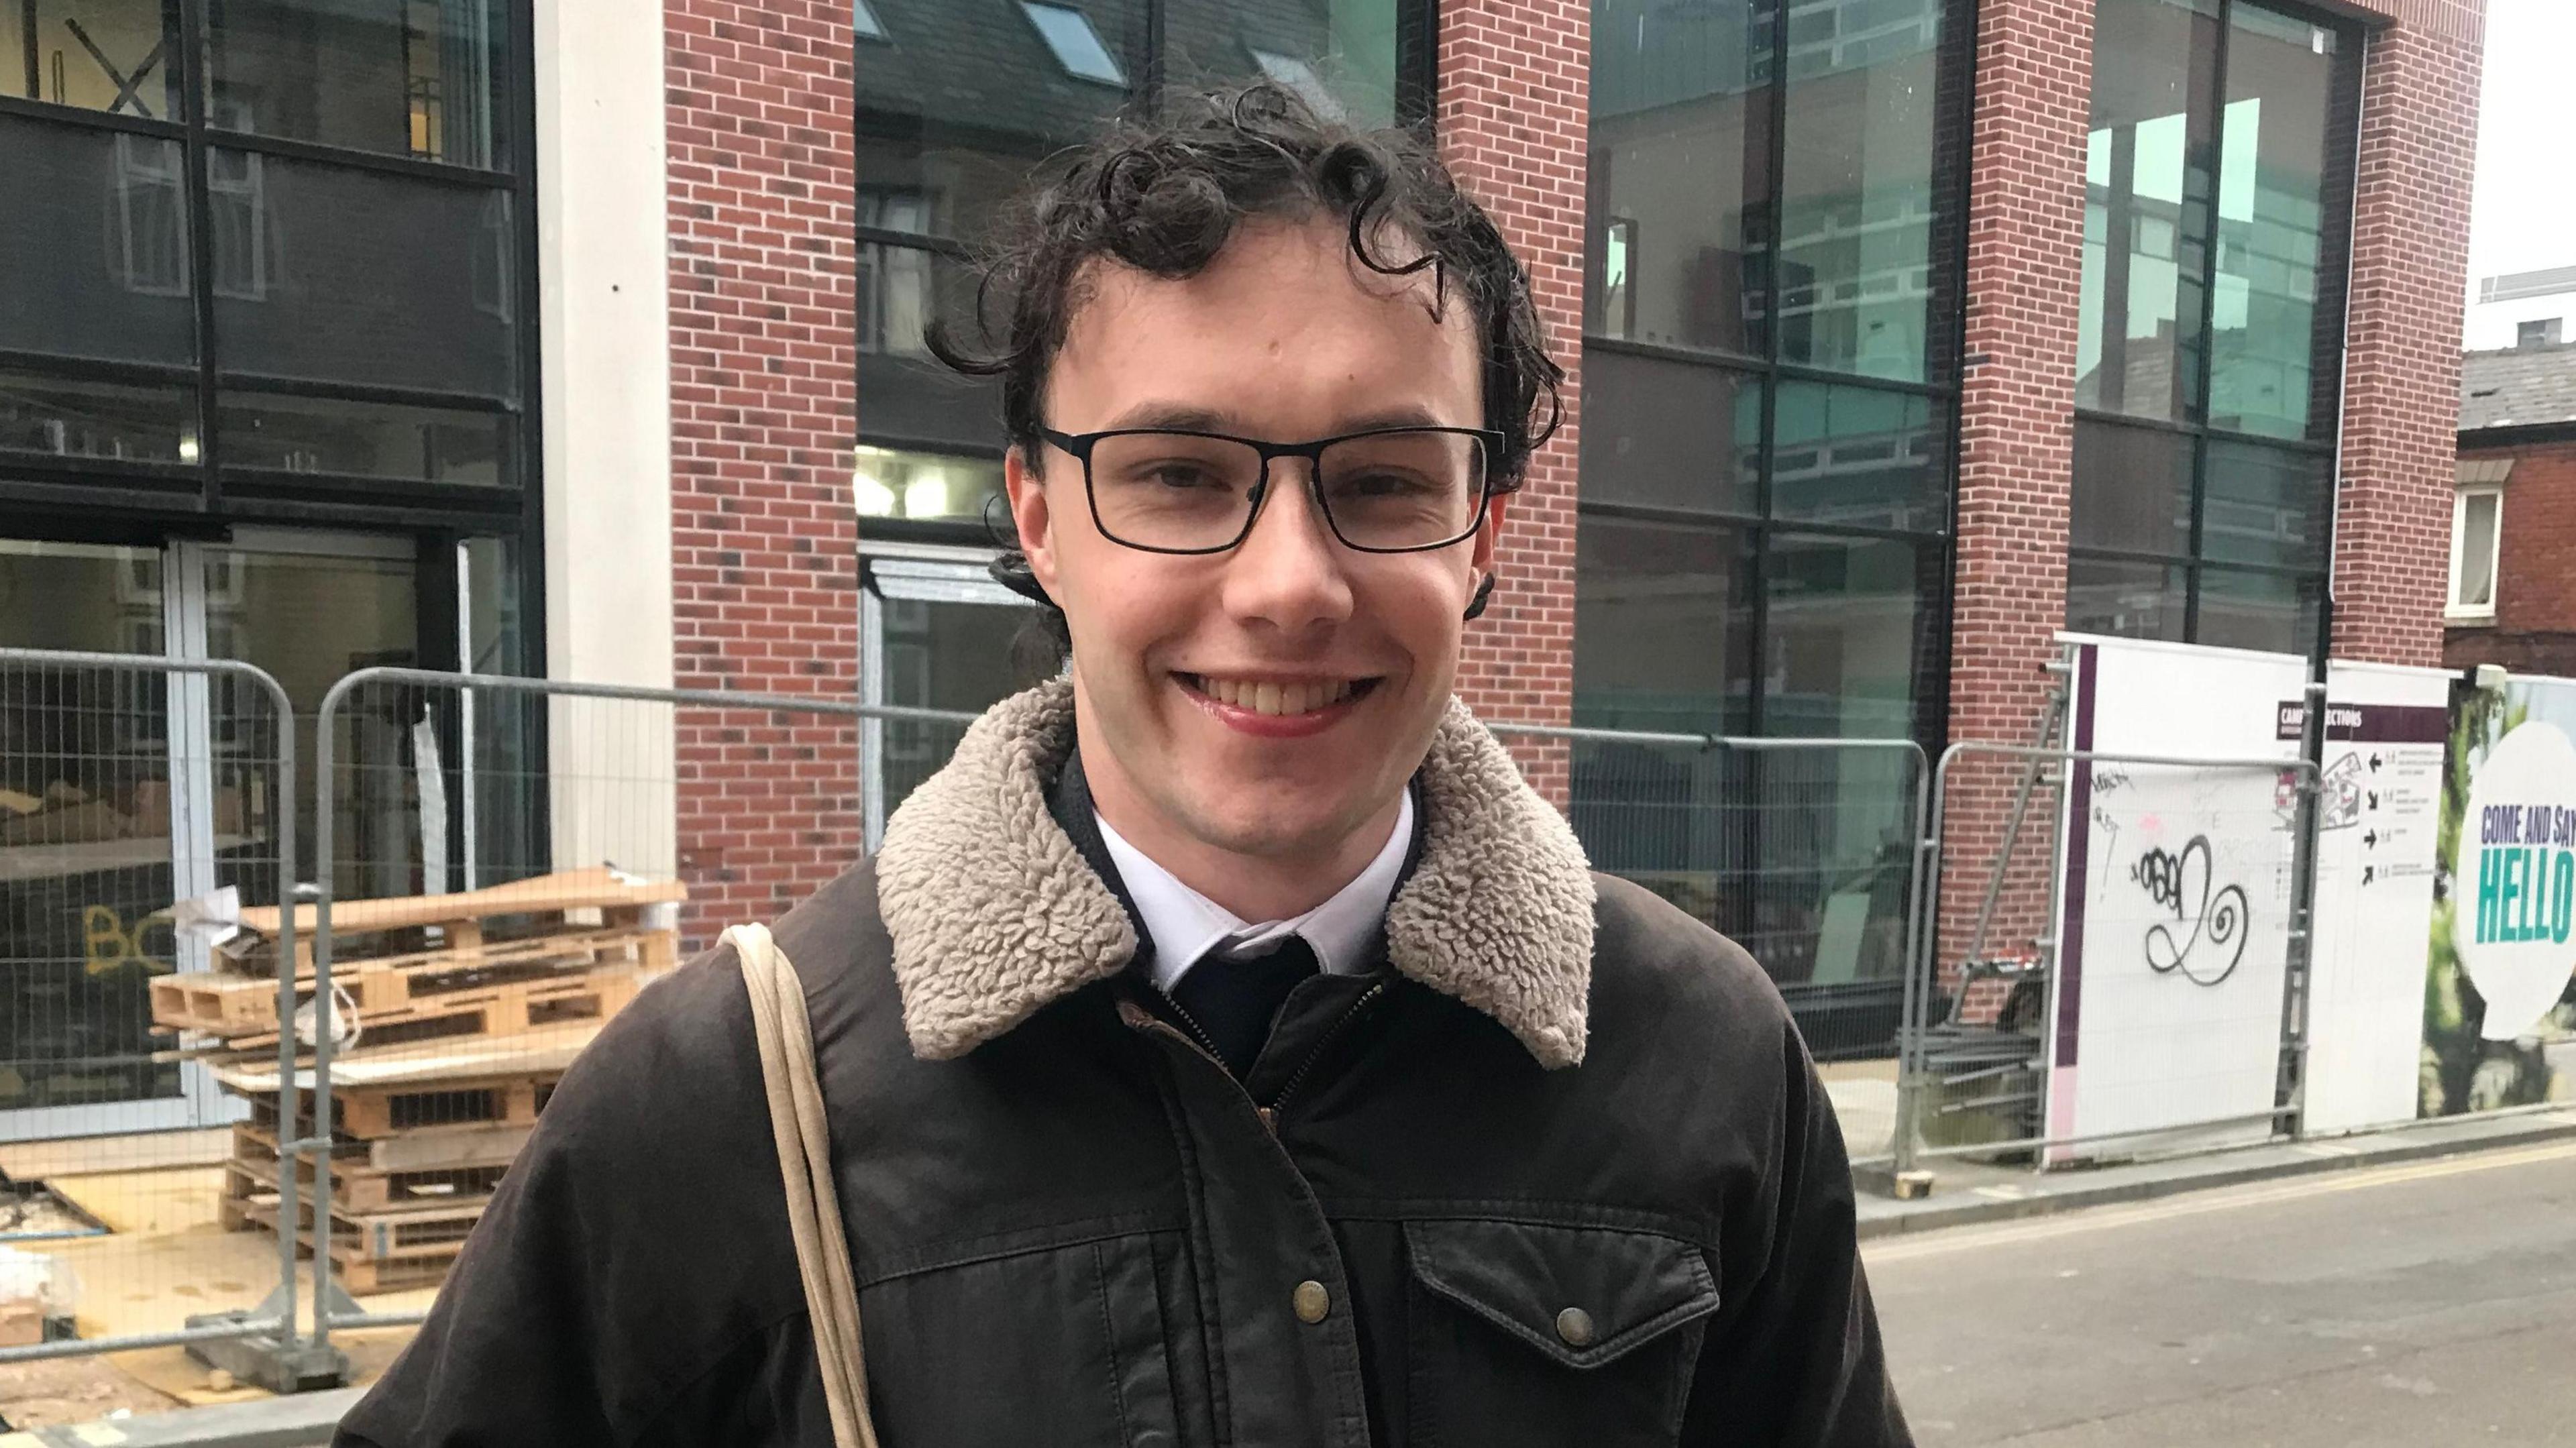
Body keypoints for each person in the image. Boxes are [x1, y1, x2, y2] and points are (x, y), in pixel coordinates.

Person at [337, 85, 1911, 1447]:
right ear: (1037, 518)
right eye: (1176, 474)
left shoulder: (1699, 1054)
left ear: (1484, 533)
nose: (1290, 583)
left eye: (1380, 480)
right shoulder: (734, 1095)